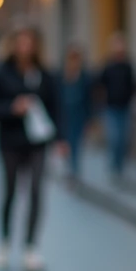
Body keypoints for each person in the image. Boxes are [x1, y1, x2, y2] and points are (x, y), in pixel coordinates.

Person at [0, 27, 62, 271]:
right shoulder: (0, 72)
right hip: (10, 142)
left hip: (39, 143)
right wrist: (12, 108)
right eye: (21, 42)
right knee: (9, 193)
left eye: (30, 42)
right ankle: (4, 245)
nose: (25, 47)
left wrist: (61, 139)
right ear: (13, 44)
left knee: (37, 192)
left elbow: (56, 107)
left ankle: (31, 249)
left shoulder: (45, 75)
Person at [98, 33, 136, 180]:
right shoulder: (108, 66)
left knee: (124, 139)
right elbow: (99, 83)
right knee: (114, 138)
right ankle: (113, 165)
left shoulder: (128, 66)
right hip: (111, 107)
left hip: (125, 107)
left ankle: (120, 166)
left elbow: (134, 85)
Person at [60, 45, 94, 184]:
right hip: (65, 115)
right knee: (67, 142)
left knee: (76, 143)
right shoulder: (62, 75)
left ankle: (74, 169)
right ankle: (69, 167)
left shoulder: (85, 76)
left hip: (79, 115)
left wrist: (90, 118)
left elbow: (89, 98)